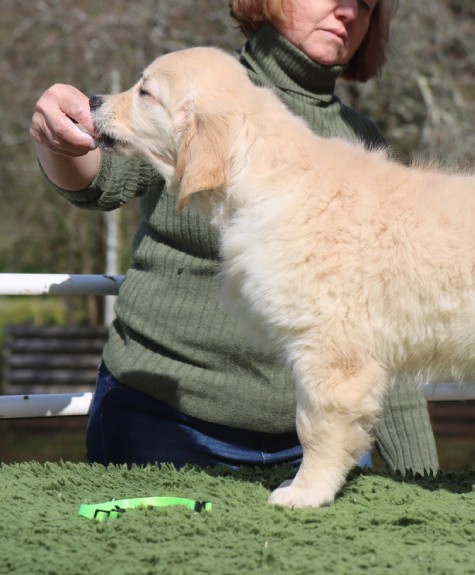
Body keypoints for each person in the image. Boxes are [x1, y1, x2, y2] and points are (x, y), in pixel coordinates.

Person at [29, 0, 439, 473]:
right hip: (163, 424)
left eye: (367, 4)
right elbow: (100, 180)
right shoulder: (194, 86)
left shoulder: (363, 141)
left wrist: (420, 479)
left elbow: (383, 328)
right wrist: (59, 136)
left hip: (318, 445)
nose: (348, 12)